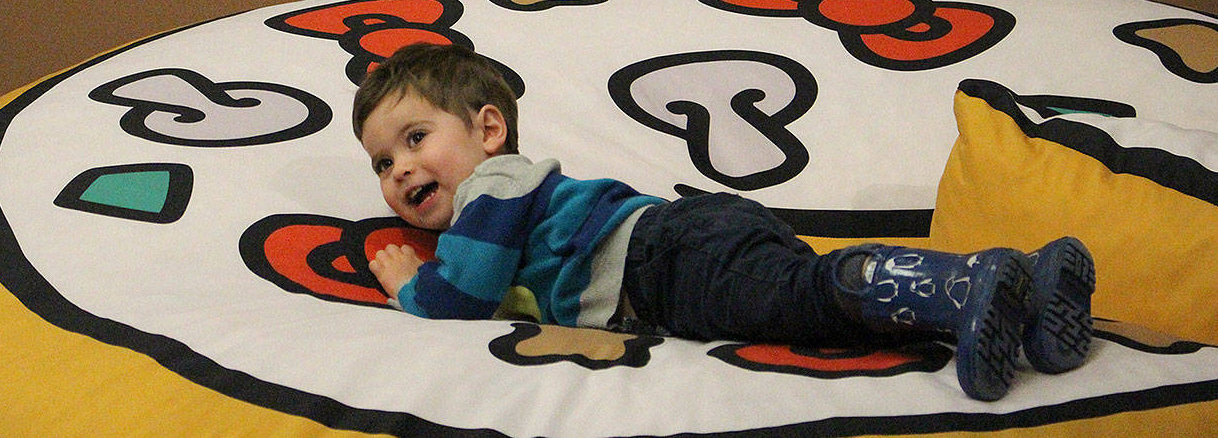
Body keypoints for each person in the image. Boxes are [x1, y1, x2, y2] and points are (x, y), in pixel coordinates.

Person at [353, 42, 1095, 402]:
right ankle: (1025, 295)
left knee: (806, 296)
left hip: (669, 262)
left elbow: (465, 298)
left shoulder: (495, 186)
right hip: (688, 245)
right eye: (382, 164)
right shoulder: (490, 199)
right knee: (821, 315)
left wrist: (410, 283)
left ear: (488, 130)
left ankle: (965, 281)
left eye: (415, 139)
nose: (401, 172)